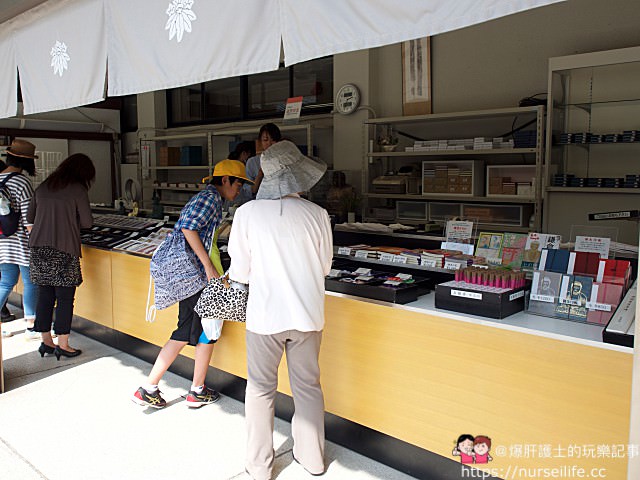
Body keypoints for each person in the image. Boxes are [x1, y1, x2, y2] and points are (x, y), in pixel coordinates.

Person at [228, 140, 333, 480]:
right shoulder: (318, 216)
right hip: (306, 315)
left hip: (264, 316)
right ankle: (313, 459)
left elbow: (240, 272)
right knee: (308, 388)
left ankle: (259, 466)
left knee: (259, 389)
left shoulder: (246, 215)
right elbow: (325, 267)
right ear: (300, 176)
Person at [133, 159, 252, 409]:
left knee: (196, 331)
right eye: (238, 182)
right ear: (226, 180)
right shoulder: (210, 199)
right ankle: (167, 388)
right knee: (200, 331)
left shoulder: (211, 199)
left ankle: (176, 387)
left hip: (189, 275)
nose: (239, 188)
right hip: (192, 275)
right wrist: (208, 267)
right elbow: (188, 229)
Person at [27, 153, 95, 359]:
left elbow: (29, 219)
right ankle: (63, 344)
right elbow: (87, 223)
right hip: (64, 250)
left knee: (44, 296)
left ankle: (46, 342)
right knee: (65, 299)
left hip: (38, 249)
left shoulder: (44, 186)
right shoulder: (78, 190)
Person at [0, 139, 38, 340]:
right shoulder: (21, 182)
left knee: (6, 282)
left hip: (2, 240)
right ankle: (31, 325)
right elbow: (28, 219)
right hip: (20, 242)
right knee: (30, 282)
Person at [244, 123, 282, 199]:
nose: (269, 143)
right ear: (260, 141)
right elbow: (250, 192)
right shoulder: (252, 162)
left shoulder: (284, 160)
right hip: (259, 203)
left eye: (273, 140)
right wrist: (260, 174)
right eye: (265, 140)